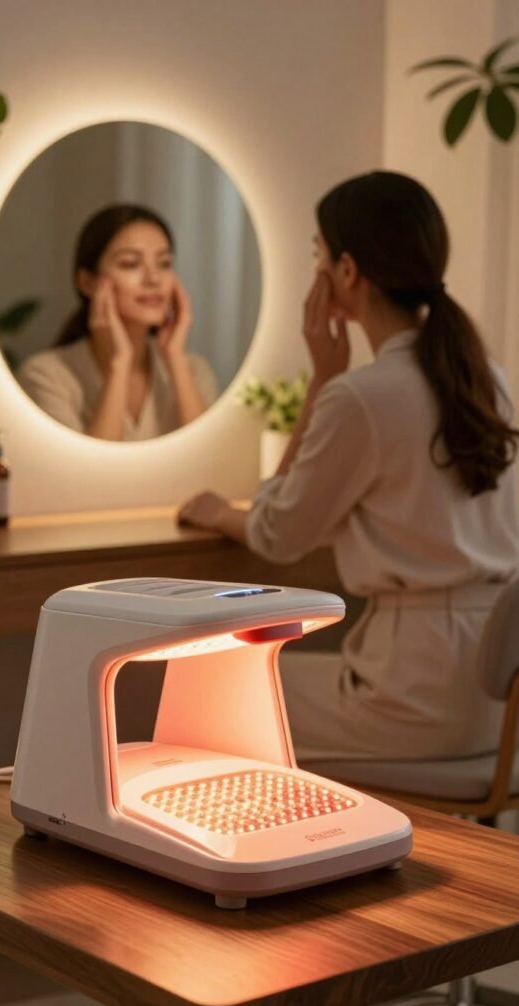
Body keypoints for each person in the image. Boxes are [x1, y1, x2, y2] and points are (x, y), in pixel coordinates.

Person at [177, 171, 519, 762]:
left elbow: (278, 535)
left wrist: (223, 511)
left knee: (195, 689)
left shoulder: (361, 396)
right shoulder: (491, 380)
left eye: (318, 255)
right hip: (496, 704)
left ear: (347, 272)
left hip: (414, 696)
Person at [17, 204, 218, 441]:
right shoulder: (46, 376)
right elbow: (88, 474)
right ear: (87, 282)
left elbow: (211, 459)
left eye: (164, 263)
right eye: (131, 264)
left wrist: (175, 358)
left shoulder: (193, 370)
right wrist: (119, 363)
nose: (153, 278)